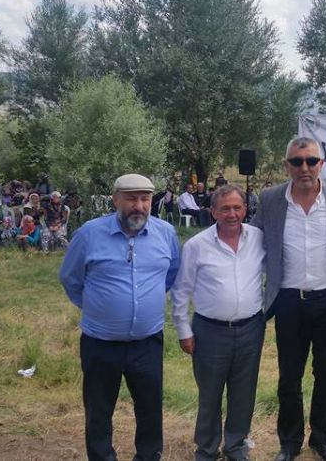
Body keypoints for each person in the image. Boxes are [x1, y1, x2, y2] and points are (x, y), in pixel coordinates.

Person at [59, 174, 181, 461]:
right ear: (115, 200)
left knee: (150, 409)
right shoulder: (89, 234)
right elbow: (70, 279)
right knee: (99, 411)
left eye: (145, 199)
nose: (139, 206)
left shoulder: (165, 233)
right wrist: (99, 308)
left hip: (148, 343)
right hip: (100, 343)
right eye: (131, 199)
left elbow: (171, 274)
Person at [251, 137, 326, 461]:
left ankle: (322, 439)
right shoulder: (270, 199)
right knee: (289, 377)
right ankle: (289, 442)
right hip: (289, 301)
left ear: (321, 163)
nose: (304, 168)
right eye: (297, 161)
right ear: (287, 166)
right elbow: (252, 240)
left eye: (311, 161)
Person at [170, 184, 266, 461]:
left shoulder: (258, 238)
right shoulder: (197, 245)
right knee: (210, 394)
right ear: (212, 211)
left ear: (245, 209)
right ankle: (207, 449)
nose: (231, 214)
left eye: (237, 208)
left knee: (244, 392)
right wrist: (183, 330)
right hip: (210, 331)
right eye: (225, 209)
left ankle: (236, 446)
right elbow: (181, 290)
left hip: (250, 328)